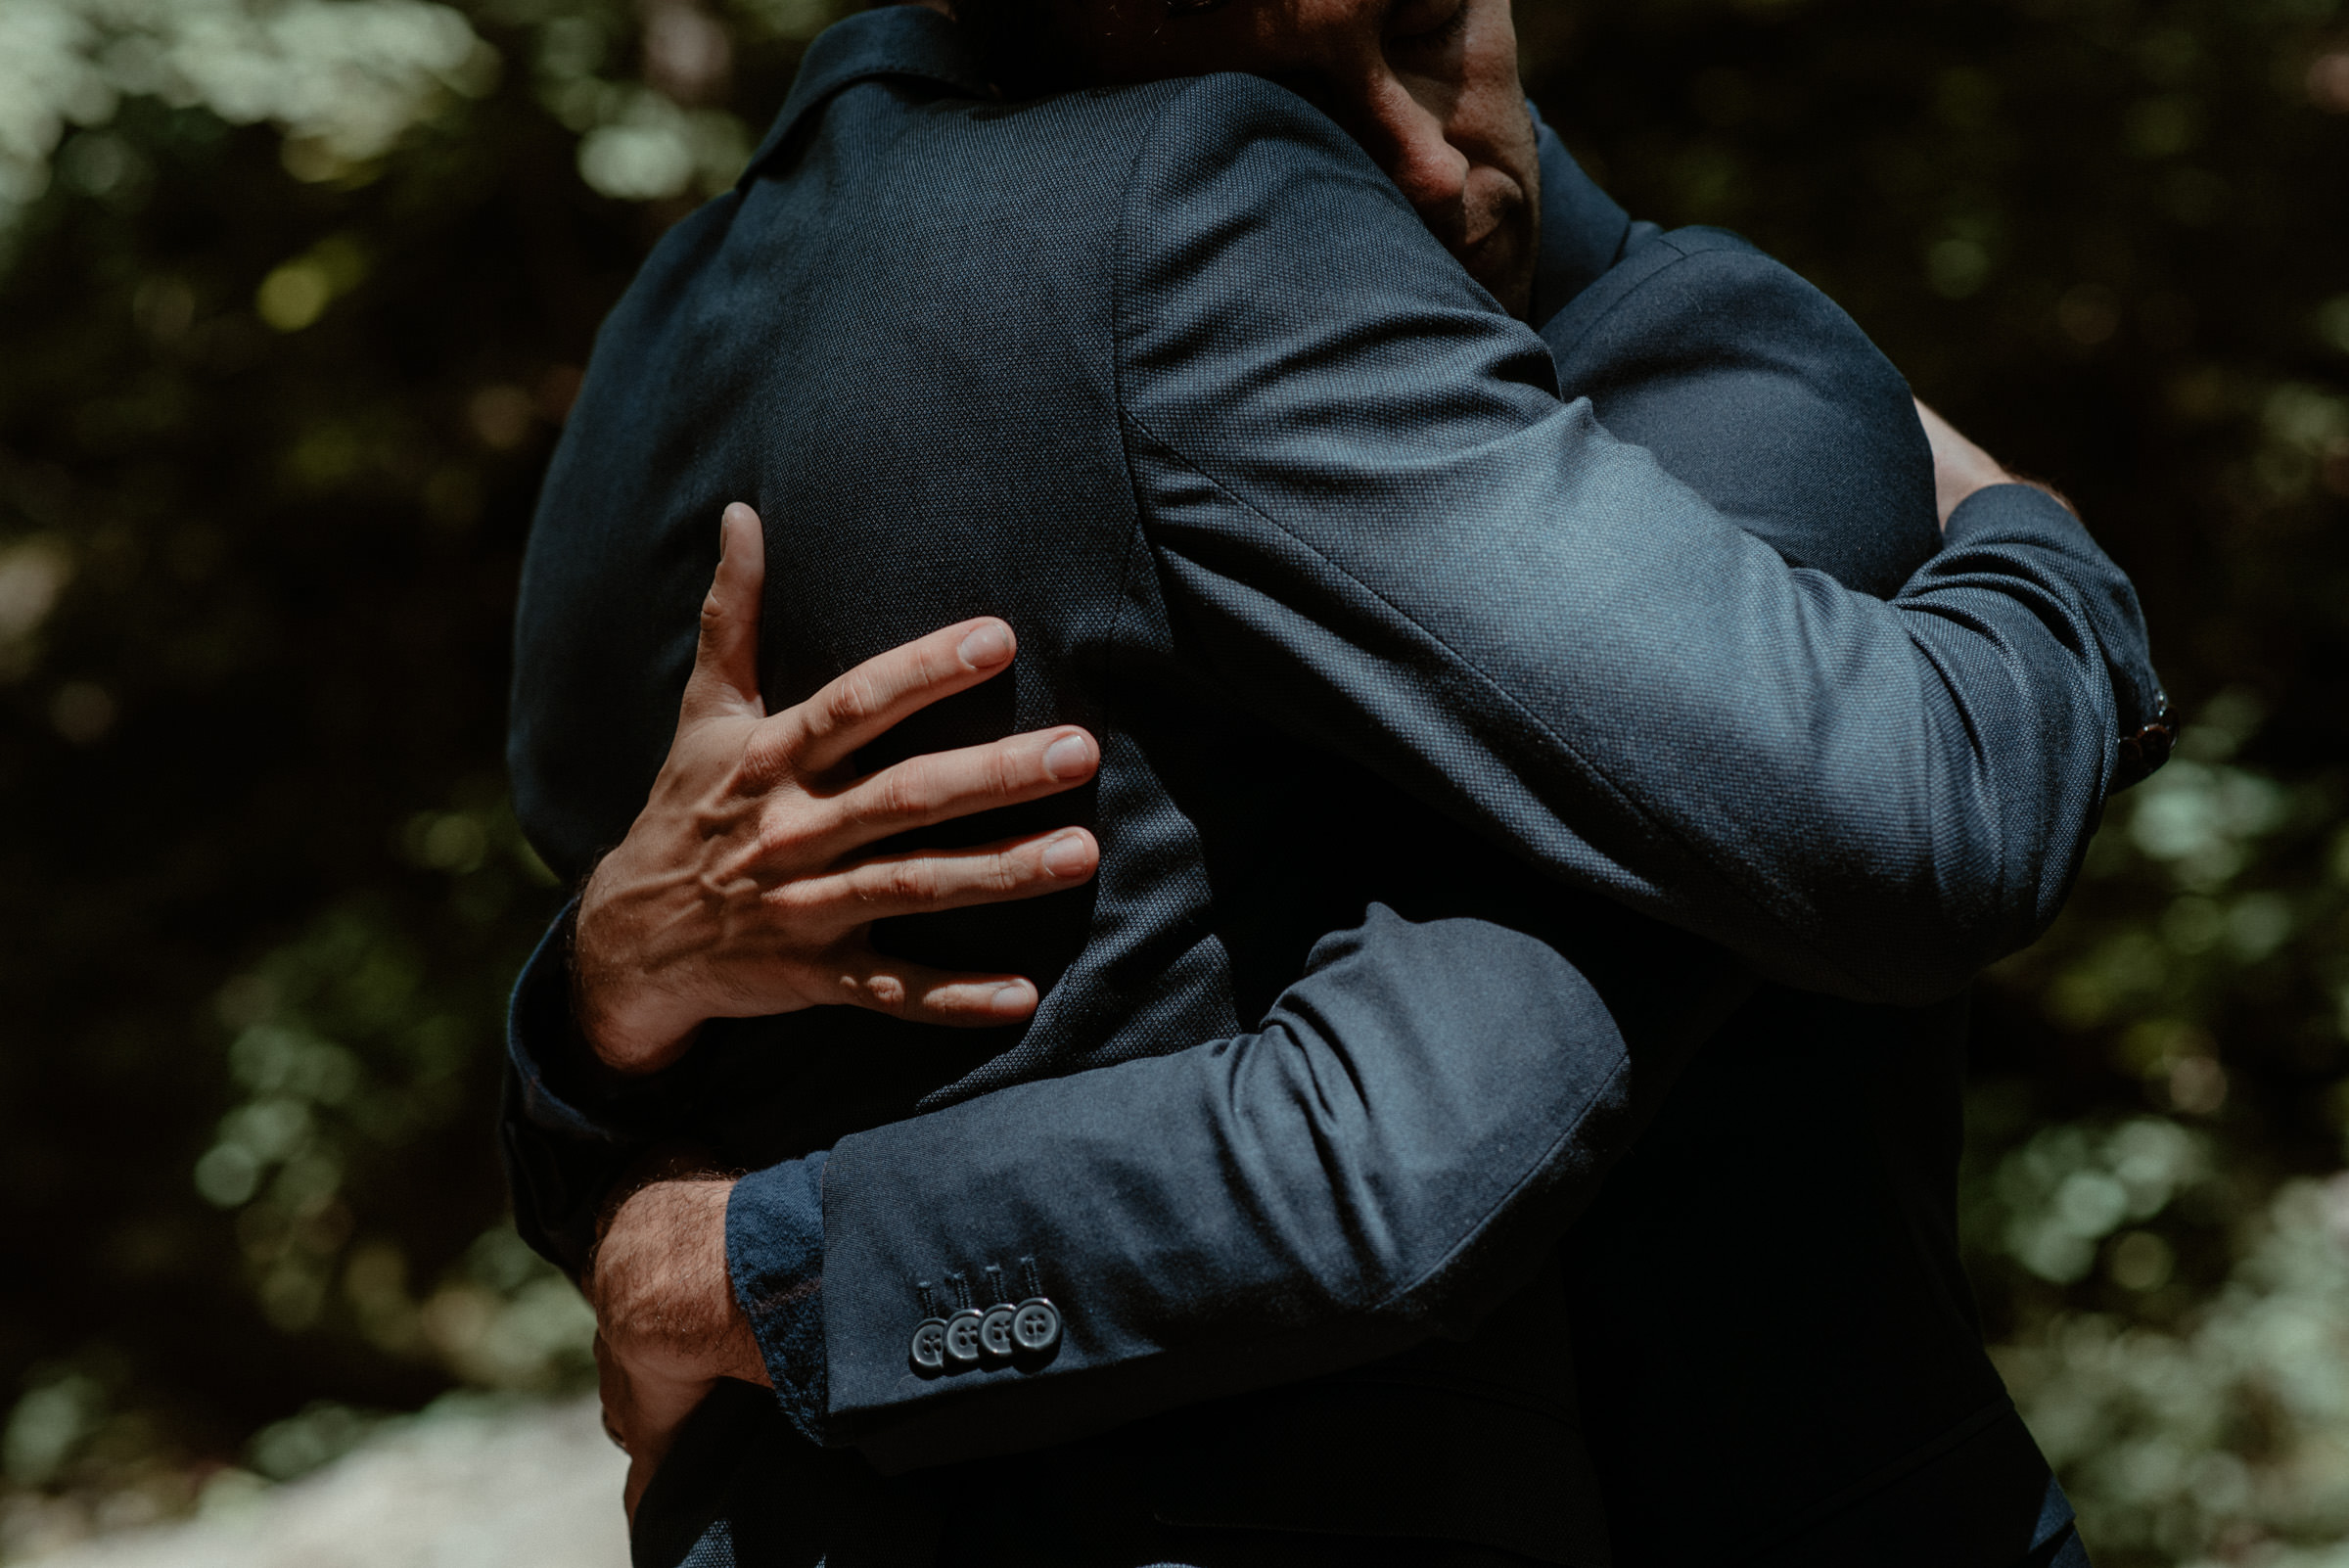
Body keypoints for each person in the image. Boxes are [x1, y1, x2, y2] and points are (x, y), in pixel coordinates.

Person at [500, 0, 2166, 1561]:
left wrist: (740, 1265)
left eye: (1437, 27)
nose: (1423, 158)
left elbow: (1412, 1137)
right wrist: (590, 995)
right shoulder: (1120, 251)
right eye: (1291, 92)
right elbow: (681, 1014)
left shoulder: (1723, 381)